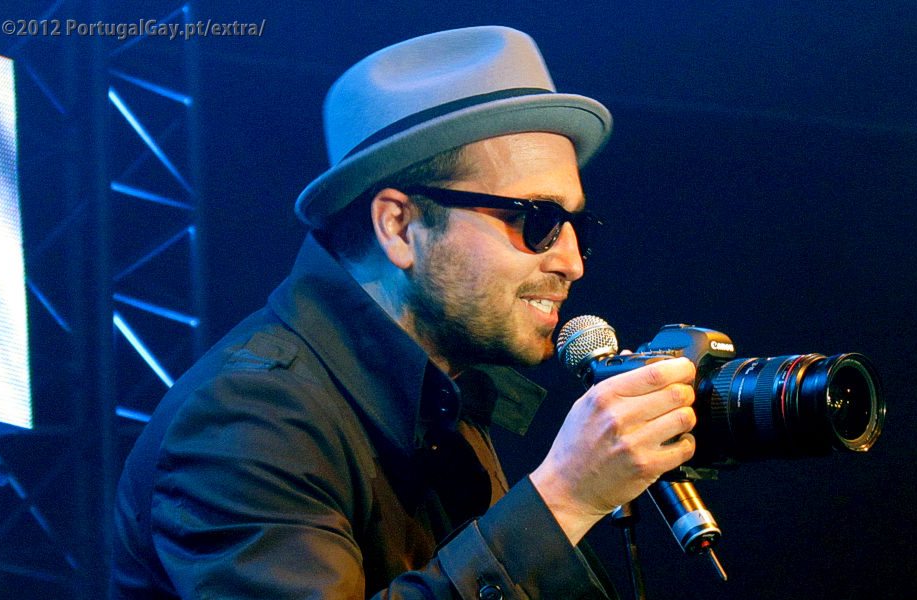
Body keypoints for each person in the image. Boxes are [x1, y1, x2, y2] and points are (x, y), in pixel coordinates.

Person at [112, 26, 697, 599]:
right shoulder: (246, 419)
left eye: (574, 225)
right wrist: (564, 498)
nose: (571, 262)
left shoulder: (442, 393)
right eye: (536, 219)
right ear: (399, 226)